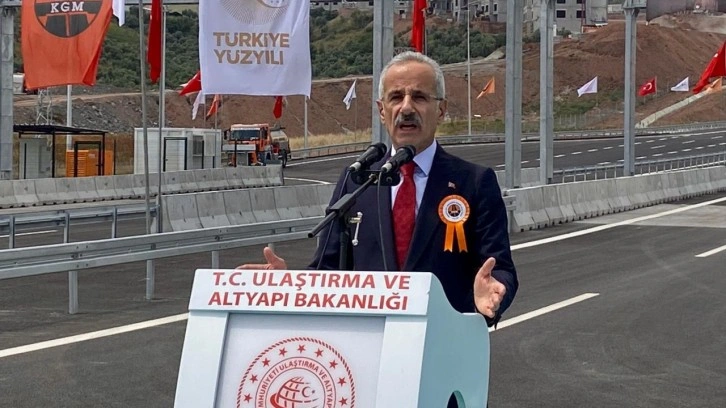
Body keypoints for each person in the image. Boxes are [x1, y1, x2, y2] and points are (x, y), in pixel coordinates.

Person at [240, 51, 518, 404]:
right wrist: (289, 284)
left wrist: (492, 295)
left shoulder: (474, 182)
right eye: (396, 97)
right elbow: (328, 269)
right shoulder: (357, 180)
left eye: (419, 97)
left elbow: (500, 268)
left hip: (444, 362)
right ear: (382, 110)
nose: (407, 107)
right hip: (366, 366)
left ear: (441, 109)